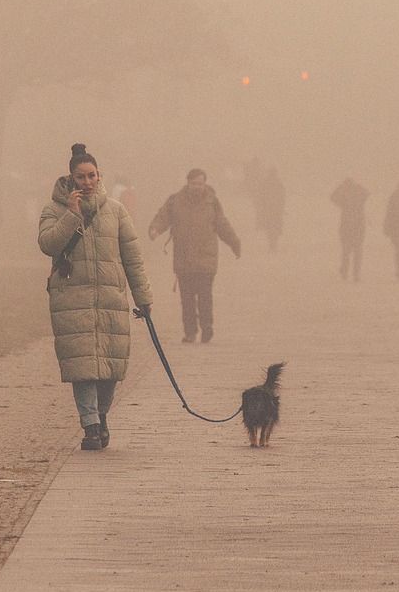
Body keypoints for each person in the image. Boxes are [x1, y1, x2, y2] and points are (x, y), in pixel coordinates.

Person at [38, 143, 154, 451]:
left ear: (99, 175)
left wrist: (143, 296)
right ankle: (89, 426)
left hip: (110, 298)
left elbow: (132, 257)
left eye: (91, 176)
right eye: (80, 177)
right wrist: (72, 216)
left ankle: (101, 416)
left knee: (110, 368)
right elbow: (48, 244)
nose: (87, 182)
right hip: (71, 298)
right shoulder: (54, 210)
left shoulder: (116, 210)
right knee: (83, 368)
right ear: (71, 179)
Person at [148, 168, 241, 344]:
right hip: (183, 260)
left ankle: (207, 328)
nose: (197, 187)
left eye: (200, 183)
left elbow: (222, 224)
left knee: (205, 297)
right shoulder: (175, 201)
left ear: (205, 183)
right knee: (187, 299)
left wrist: (234, 242)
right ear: (188, 183)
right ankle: (190, 332)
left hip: (206, 258)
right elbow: (163, 217)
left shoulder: (212, 202)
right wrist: (155, 229)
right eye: (194, 183)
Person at [330, 177, 369, 281]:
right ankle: (355, 274)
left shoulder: (344, 201)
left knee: (346, 251)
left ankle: (345, 272)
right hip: (358, 227)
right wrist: (357, 186)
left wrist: (341, 187)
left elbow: (332, 197)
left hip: (347, 227)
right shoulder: (359, 199)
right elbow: (367, 193)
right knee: (357, 251)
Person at [259, 165, 286, 252]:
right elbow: (282, 197)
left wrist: (262, 208)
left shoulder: (265, 183)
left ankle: (272, 244)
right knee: (274, 227)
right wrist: (282, 207)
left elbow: (261, 197)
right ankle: (274, 244)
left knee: (269, 227)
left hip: (269, 210)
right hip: (276, 210)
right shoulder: (278, 183)